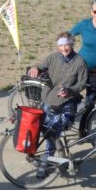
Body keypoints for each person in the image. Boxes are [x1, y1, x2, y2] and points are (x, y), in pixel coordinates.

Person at [28, 32, 88, 176]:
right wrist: (35, 68)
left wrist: (70, 91)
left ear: (72, 44)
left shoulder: (80, 62)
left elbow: (82, 83)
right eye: (60, 45)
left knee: (53, 130)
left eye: (66, 45)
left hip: (67, 103)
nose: (63, 48)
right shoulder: (52, 58)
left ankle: (46, 161)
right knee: (45, 130)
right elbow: (40, 66)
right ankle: (42, 155)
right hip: (48, 100)